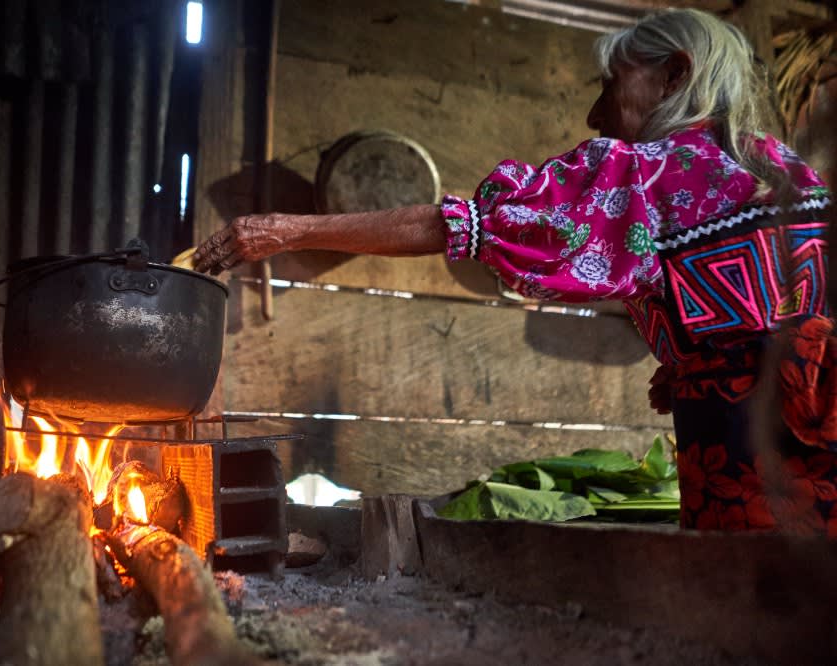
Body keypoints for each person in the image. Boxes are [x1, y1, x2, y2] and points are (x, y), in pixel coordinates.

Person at [193, 9, 835, 535]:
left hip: (750, 462)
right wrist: (701, 361)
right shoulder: (783, 170)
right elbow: (777, 309)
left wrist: (289, 231)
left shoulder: (647, 172)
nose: (595, 113)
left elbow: (460, 226)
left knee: (751, 603)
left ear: (674, 75)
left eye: (610, 82)